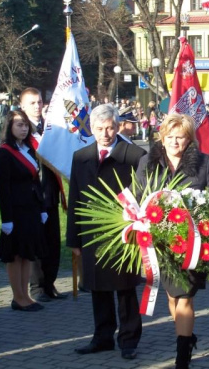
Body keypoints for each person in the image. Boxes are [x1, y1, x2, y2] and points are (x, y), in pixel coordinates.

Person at [135, 113, 209, 369]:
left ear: (189, 139)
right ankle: (186, 335)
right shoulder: (147, 163)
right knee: (173, 297)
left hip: (192, 243)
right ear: (162, 137)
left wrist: (202, 221)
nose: (175, 142)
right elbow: (139, 197)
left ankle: (182, 356)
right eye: (170, 137)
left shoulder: (204, 163)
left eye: (181, 138)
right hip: (160, 242)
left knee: (184, 296)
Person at [67, 104, 146, 360]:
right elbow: (75, 197)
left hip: (123, 230)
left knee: (124, 287)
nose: (105, 133)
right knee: (98, 286)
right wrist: (74, 238)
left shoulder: (133, 155)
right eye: (99, 128)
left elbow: (143, 193)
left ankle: (129, 340)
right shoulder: (81, 156)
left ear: (118, 126)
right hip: (92, 232)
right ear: (91, 128)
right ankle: (102, 337)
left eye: (110, 127)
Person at [0, 110, 47, 312]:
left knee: (27, 254)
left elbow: (35, 181)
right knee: (15, 255)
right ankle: (18, 297)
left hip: (31, 209)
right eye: (19, 125)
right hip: (15, 211)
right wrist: (7, 219)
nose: (24, 129)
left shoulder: (28, 149)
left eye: (25, 125)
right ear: (9, 127)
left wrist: (41, 207)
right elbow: (3, 188)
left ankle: (26, 295)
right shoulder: (4, 152)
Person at [20, 87, 66, 303]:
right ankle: (37, 286)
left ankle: (49, 283)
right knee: (37, 240)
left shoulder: (48, 128)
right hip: (33, 193)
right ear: (22, 106)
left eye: (39, 102)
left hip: (51, 190)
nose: (37, 106)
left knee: (52, 239)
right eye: (32, 103)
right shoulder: (21, 130)